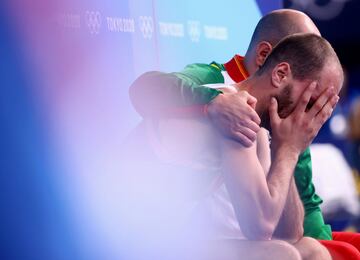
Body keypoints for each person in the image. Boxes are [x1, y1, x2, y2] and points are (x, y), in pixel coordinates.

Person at [129, 9, 331, 241]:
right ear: (267, 57)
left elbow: (302, 214)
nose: (311, 103)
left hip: (220, 242)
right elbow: (143, 89)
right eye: (305, 58)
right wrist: (211, 103)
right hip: (155, 233)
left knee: (315, 249)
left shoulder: (288, 116)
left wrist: (289, 150)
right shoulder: (225, 93)